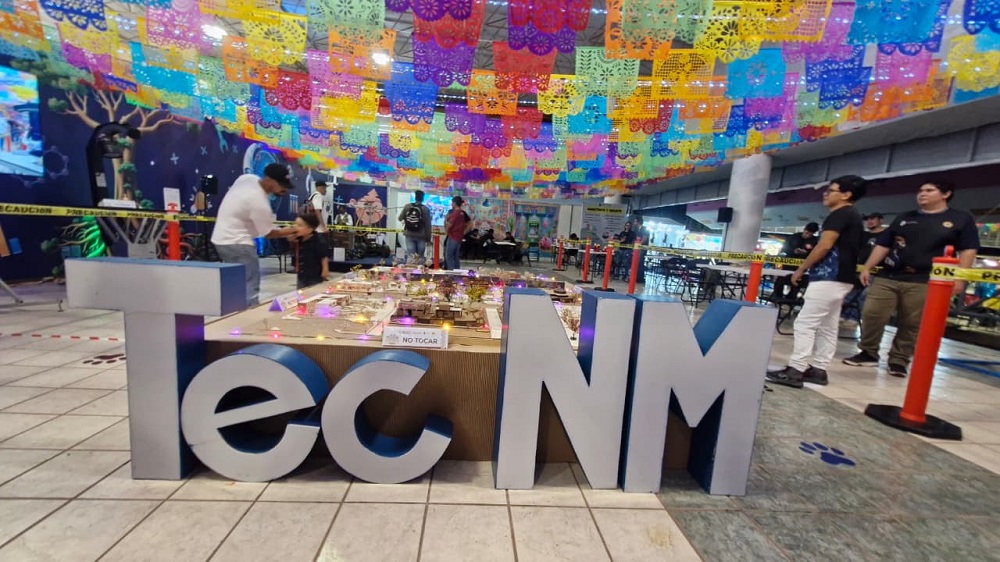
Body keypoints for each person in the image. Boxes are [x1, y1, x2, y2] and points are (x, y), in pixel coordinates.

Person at [843, 181, 980, 377]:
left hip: (925, 279)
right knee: (872, 313)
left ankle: (899, 359)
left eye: (929, 190)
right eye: (921, 190)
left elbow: (968, 249)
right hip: (889, 275)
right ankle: (868, 352)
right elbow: (884, 245)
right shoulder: (905, 217)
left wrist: (960, 278)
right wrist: (867, 267)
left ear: (946, 194)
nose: (922, 194)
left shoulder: (960, 219)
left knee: (911, 322)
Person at [767, 175, 868, 388]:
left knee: (805, 322)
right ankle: (819, 369)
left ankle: (796, 369)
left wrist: (801, 269)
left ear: (846, 195)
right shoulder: (854, 215)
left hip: (828, 277)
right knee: (827, 325)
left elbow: (824, 246)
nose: (826, 193)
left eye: (831, 190)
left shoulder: (839, 214)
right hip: (843, 278)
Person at [211, 163, 297, 306]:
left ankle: (235, 309)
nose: (284, 189)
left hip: (220, 238)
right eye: (281, 185)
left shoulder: (248, 178)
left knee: (237, 282)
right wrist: (292, 230)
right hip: (238, 242)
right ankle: (249, 314)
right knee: (250, 284)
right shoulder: (259, 202)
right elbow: (268, 233)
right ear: (269, 180)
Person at [841, 212, 888, 327]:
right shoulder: (863, 235)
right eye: (867, 219)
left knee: (864, 295)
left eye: (873, 219)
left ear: (880, 220)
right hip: (858, 268)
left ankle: (853, 318)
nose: (869, 221)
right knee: (850, 292)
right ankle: (843, 315)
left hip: (877, 271)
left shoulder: (886, 234)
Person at [291, 212, 330, 289]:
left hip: (314, 275)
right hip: (301, 275)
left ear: (310, 228)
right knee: (301, 293)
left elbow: (323, 256)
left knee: (313, 292)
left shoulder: (318, 240)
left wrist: (325, 270)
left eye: (299, 225)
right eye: (295, 224)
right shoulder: (299, 239)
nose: (295, 227)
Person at [398, 190, 432, 263]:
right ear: (422, 198)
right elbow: (428, 225)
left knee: (411, 256)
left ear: (415, 197)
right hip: (421, 236)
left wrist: (407, 220)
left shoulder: (407, 206)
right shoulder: (425, 209)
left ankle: (410, 273)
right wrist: (428, 239)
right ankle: (420, 273)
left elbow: (400, 218)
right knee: (420, 257)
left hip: (409, 234)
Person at [444, 196, 471, 269]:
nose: (451, 204)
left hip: (453, 236)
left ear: (455, 203)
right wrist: (463, 232)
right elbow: (469, 224)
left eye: (452, 202)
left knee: (449, 255)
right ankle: (457, 272)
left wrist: (446, 221)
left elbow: (449, 224)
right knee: (455, 256)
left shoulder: (455, 213)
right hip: (459, 237)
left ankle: (451, 273)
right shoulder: (462, 213)